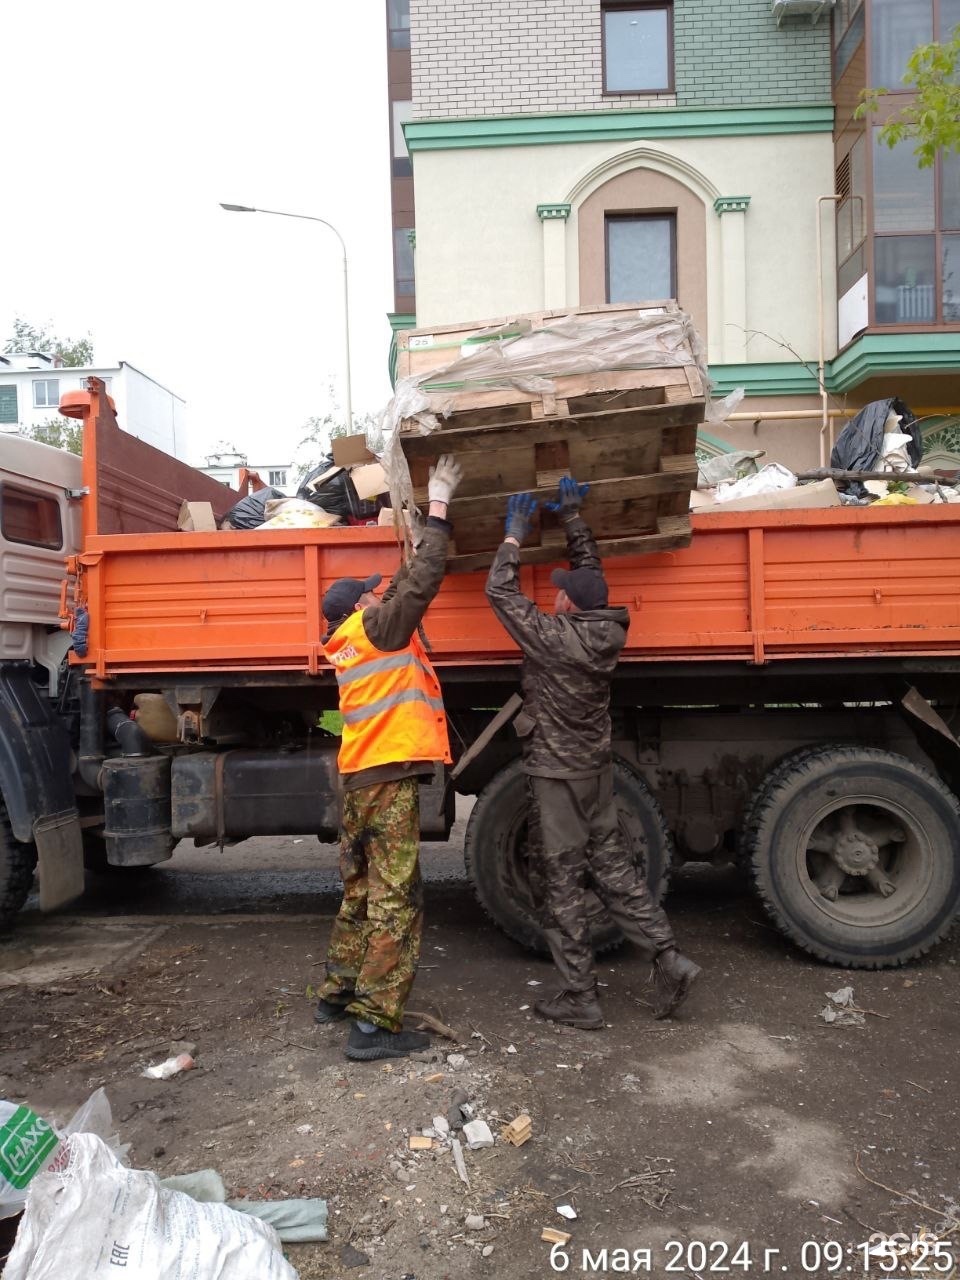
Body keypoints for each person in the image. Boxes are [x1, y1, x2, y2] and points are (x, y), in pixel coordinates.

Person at [485, 476, 701, 1030]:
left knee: (561, 885)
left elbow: (500, 594)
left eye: (560, 589)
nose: (554, 592)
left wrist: (513, 535)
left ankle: (580, 997)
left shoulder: (555, 638)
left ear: (568, 605)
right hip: (595, 774)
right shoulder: (606, 630)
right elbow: (593, 579)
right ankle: (668, 956)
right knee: (614, 869)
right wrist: (573, 520)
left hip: (558, 778)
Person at [314, 454, 463, 1061]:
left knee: (358, 891)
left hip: (358, 781)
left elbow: (399, 588)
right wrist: (441, 506)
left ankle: (337, 992)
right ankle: (374, 1025)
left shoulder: (348, 643)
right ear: (359, 608)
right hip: (386, 782)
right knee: (394, 898)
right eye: (370, 594)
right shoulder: (378, 630)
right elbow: (419, 583)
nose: (380, 594)